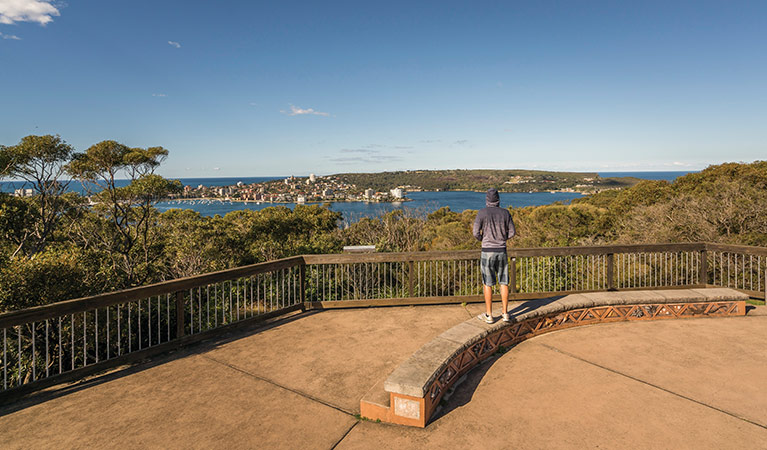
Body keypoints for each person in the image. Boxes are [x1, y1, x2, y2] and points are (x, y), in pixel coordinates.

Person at [472, 188, 516, 324]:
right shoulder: (505, 213)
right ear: (498, 200)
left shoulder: (482, 213)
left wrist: (483, 239)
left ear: (487, 200)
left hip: (487, 251)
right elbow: (512, 232)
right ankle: (505, 313)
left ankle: (489, 315)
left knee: (488, 283)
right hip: (501, 250)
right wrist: (502, 239)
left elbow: (475, 232)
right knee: (504, 282)